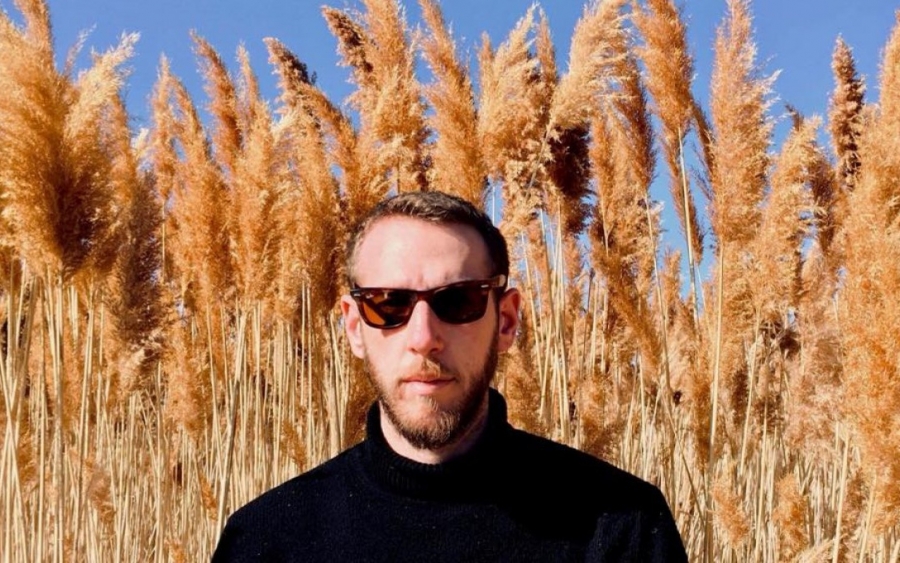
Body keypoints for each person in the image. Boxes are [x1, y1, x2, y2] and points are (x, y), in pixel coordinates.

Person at [212, 190, 687, 562]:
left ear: (506, 321)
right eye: (388, 305)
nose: (423, 337)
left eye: (458, 301)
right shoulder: (267, 541)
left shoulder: (620, 526)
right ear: (354, 327)